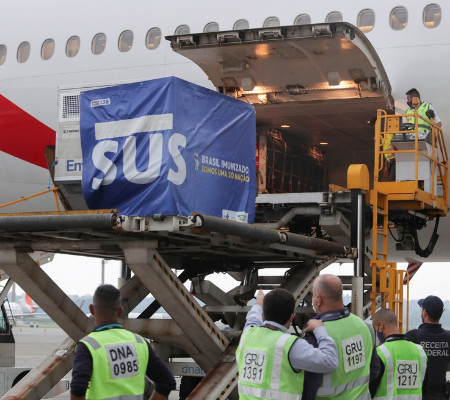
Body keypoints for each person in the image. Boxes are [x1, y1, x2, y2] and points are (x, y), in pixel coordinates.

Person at [70, 284, 176, 400]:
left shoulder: (89, 346)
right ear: (120, 311)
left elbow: (77, 389)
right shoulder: (139, 343)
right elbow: (167, 382)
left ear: (91, 309)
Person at [235, 288, 338, 400]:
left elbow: (253, 318)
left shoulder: (248, 334)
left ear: (263, 314)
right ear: (292, 317)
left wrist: (258, 304)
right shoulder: (291, 345)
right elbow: (330, 362)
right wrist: (319, 329)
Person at [310, 274, 377, 399]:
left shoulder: (317, 333)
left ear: (318, 300)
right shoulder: (365, 327)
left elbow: (308, 384)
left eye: (313, 295)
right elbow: (374, 370)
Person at [370, 308, 427, 399]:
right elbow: (425, 387)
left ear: (381, 325)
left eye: (375, 328)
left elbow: (370, 389)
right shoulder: (420, 351)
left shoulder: (380, 352)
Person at [406, 295, 450, 399]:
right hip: (441, 395)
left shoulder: (413, 336)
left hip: (418, 395)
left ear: (424, 312)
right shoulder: (448, 337)